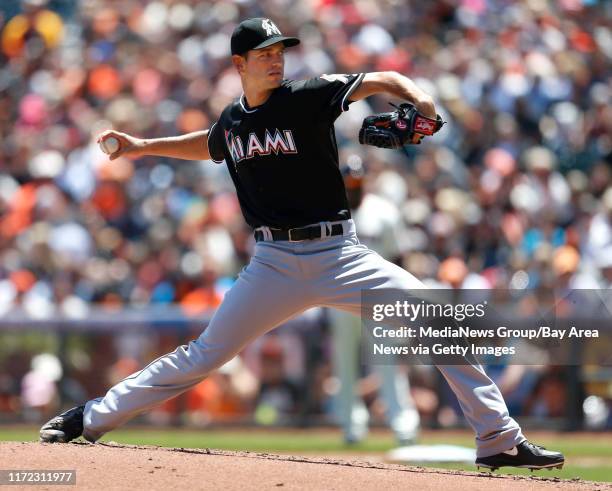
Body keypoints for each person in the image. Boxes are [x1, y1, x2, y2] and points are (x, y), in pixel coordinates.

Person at [40, 17, 564, 471]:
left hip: (340, 253)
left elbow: (381, 79)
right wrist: (143, 146)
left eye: (279, 52)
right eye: (264, 55)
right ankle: (89, 417)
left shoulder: (308, 97)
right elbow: (209, 143)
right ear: (239, 63)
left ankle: (498, 440)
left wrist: (421, 100)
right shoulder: (232, 121)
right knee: (203, 355)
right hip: (272, 263)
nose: (276, 61)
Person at [329, 163, 419, 445]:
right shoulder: (329, 209)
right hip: (340, 296)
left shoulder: (383, 211)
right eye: (349, 184)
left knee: (387, 359)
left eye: (356, 183)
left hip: (377, 296)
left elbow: (399, 258)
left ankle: (402, 424)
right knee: (344, 361)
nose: (353, 189)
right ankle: (351, 425)